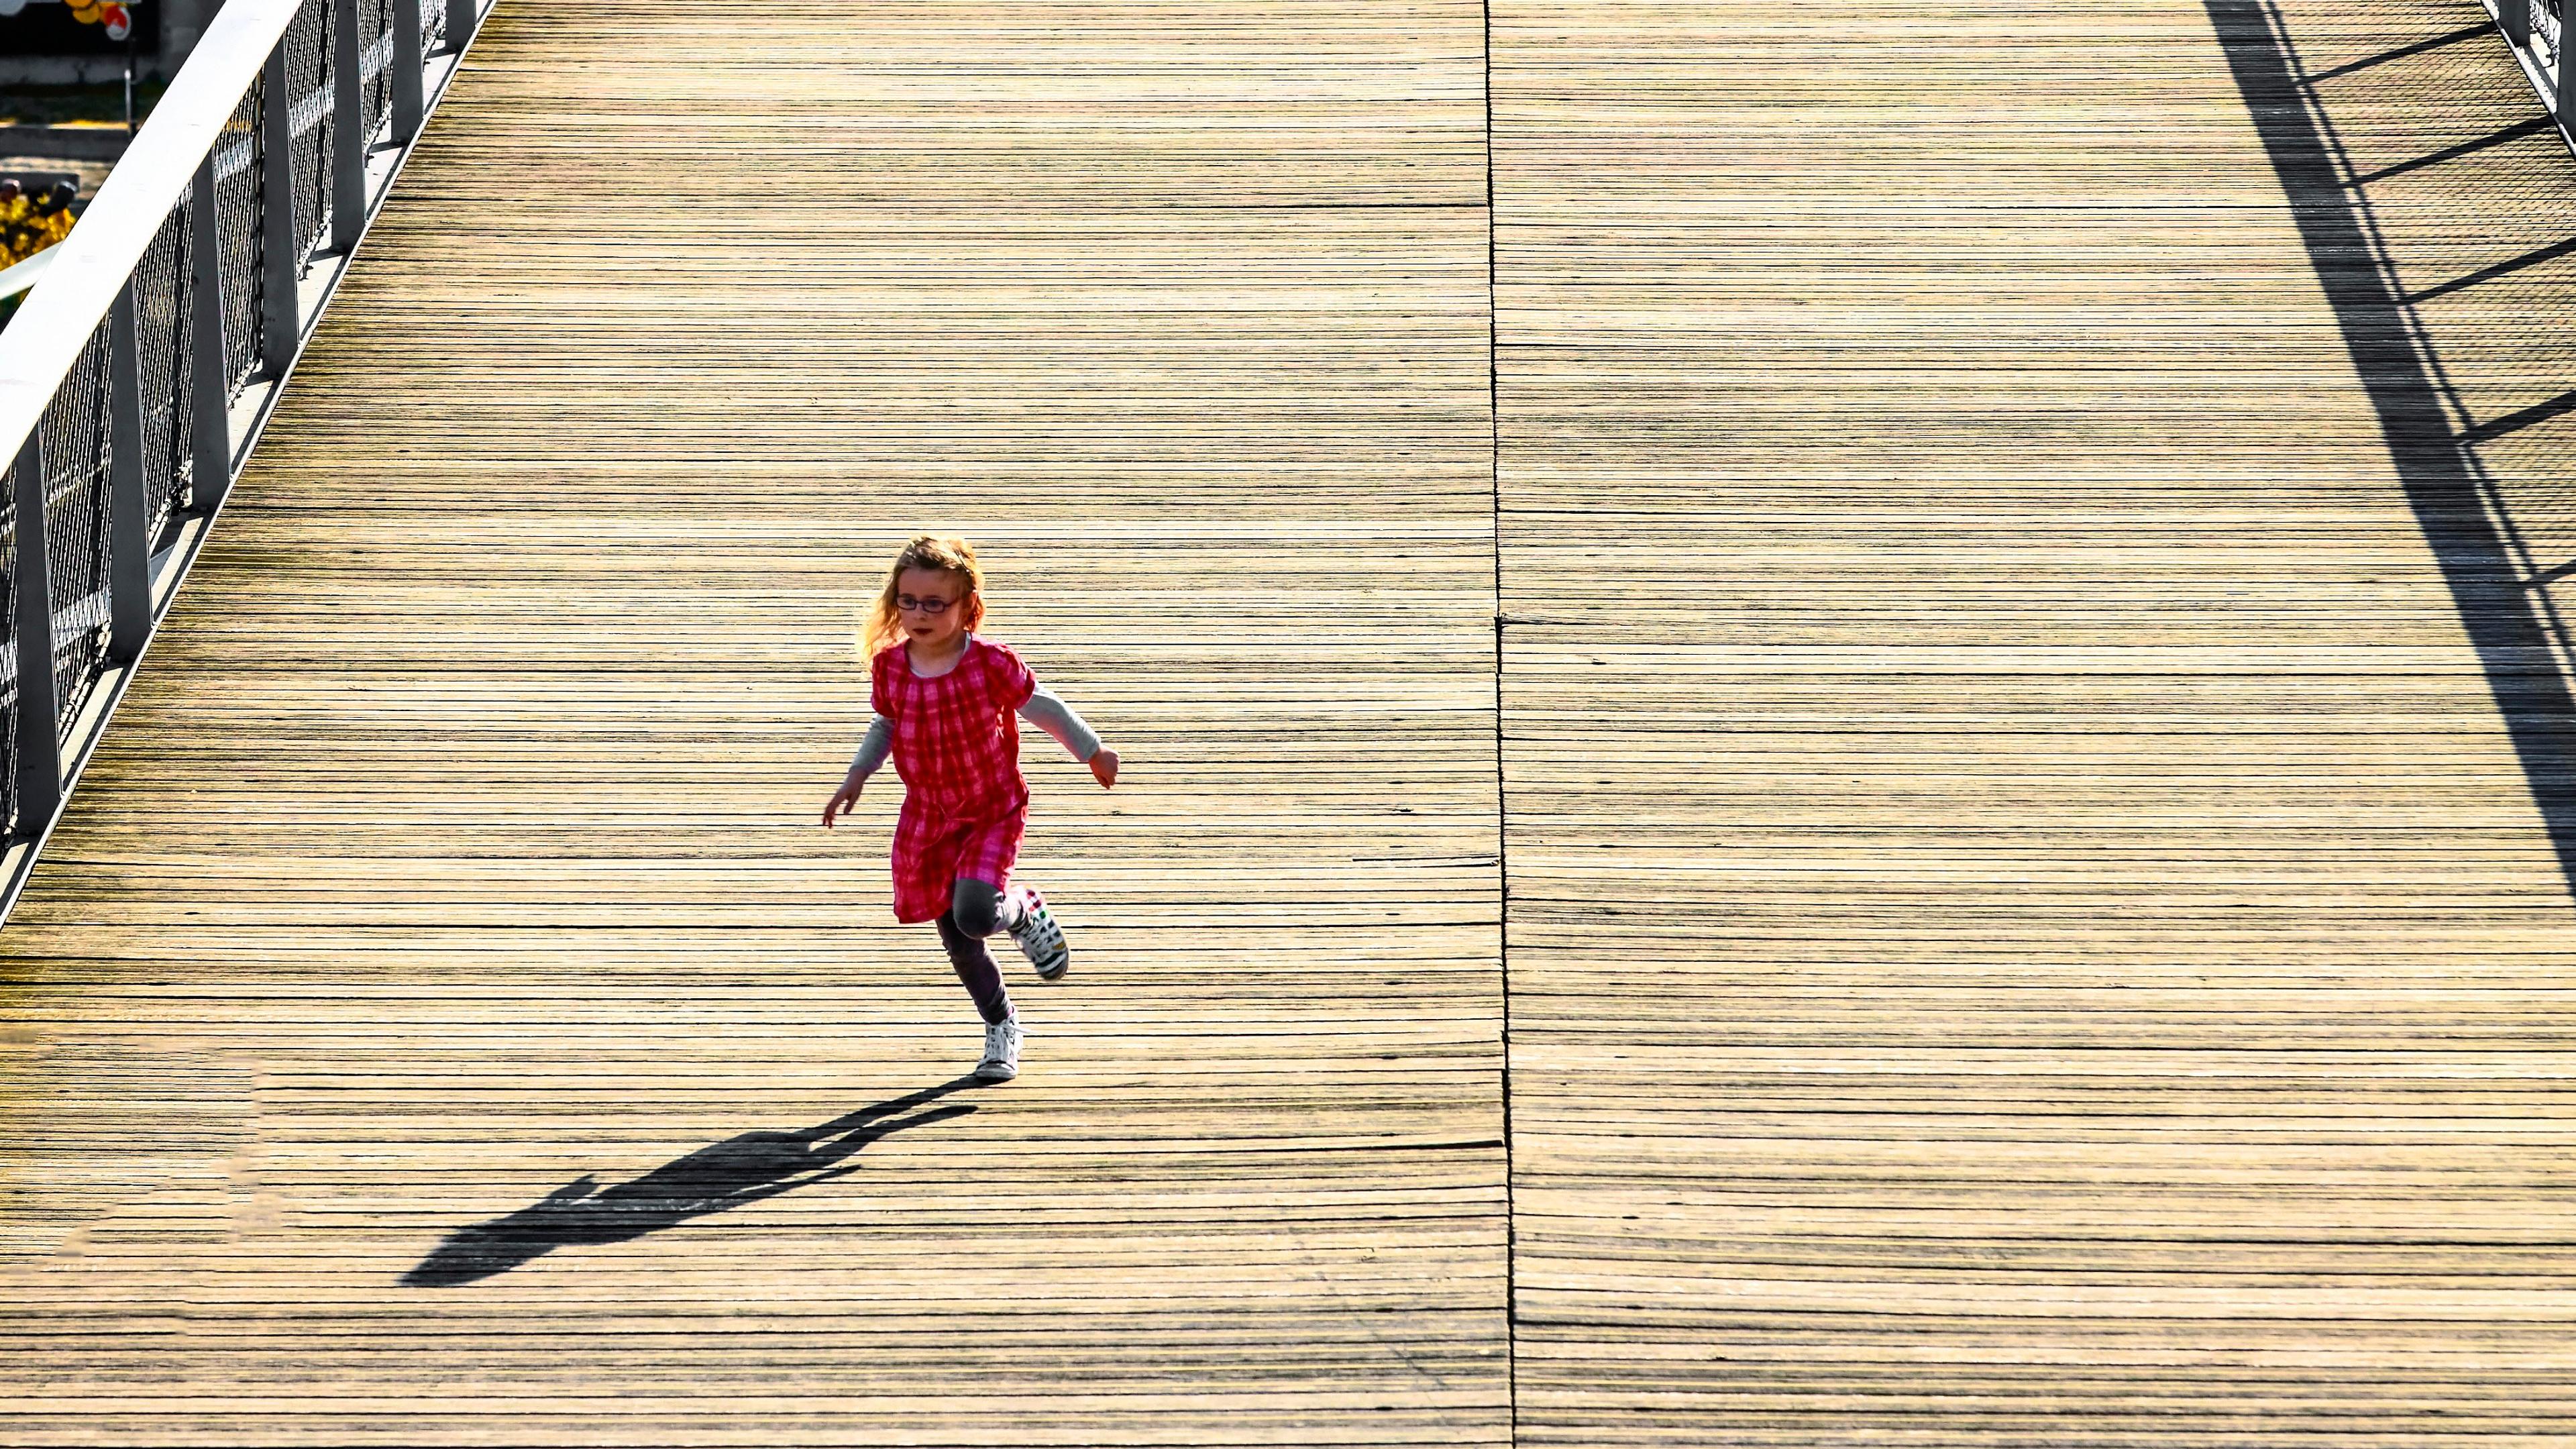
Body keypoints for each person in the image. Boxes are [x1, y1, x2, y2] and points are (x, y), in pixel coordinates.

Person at [822, 536, 1118, 1081]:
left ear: (966, 608)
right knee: (959, 941)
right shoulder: (891, 668)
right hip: (929, 817)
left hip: (990, 808)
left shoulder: (989, 664)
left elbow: (1041, 705)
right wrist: (857, 776)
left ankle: (1023, 909)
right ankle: (1001, 1027)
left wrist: (1091, 749)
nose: (919, 613)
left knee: (978, 913)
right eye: (908, 601)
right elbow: (885, 724)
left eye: (936, 603)